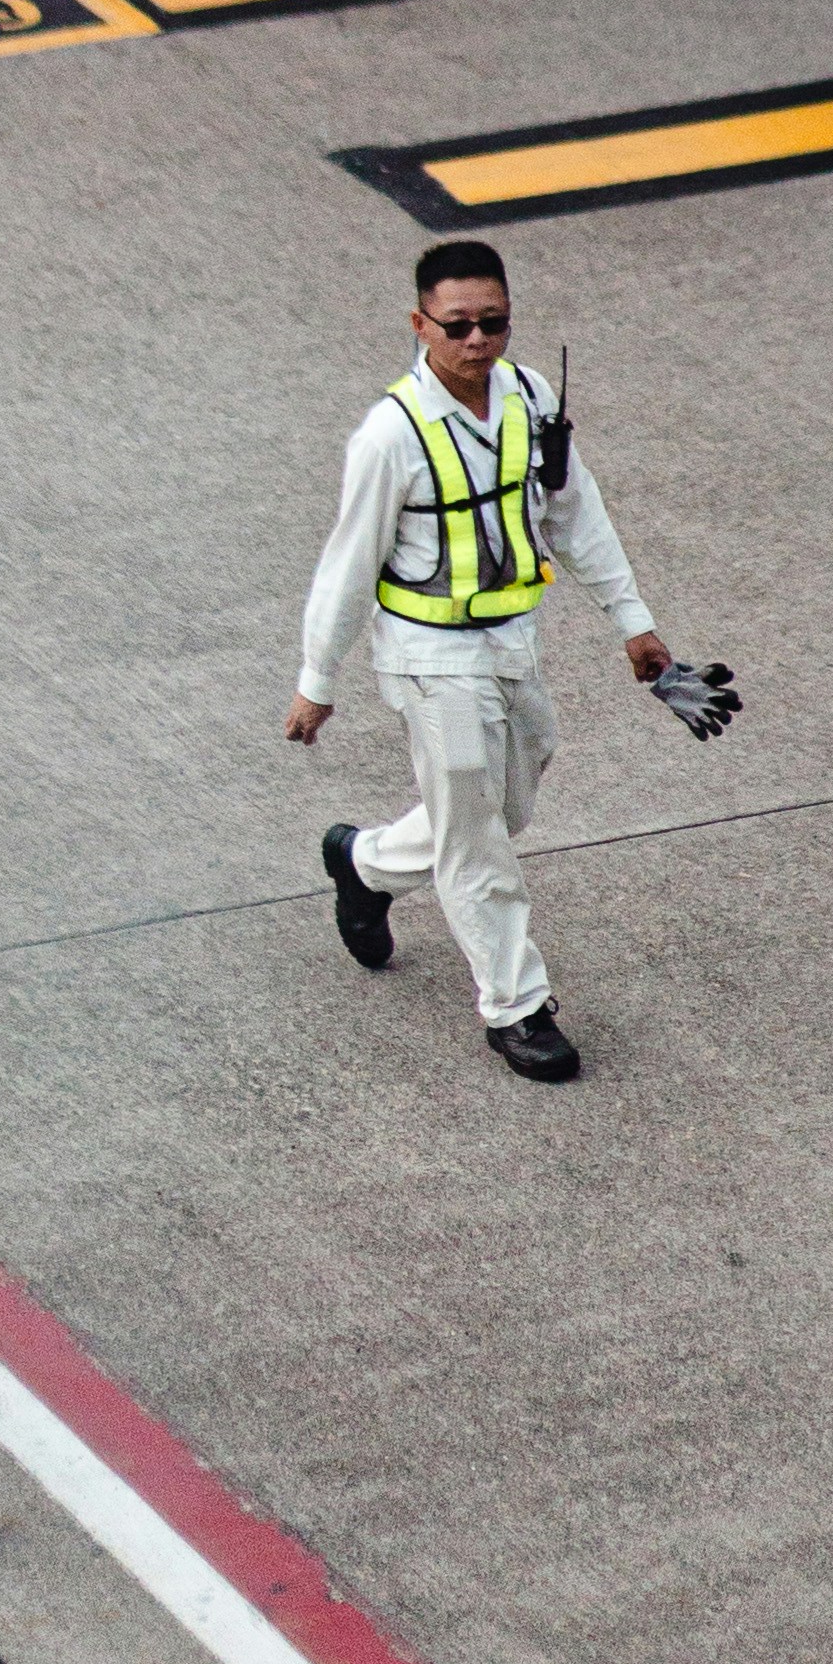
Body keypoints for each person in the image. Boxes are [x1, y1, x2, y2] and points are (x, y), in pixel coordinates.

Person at [286, 236, 678, 1085]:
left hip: (510, 642)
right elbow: (347, 565)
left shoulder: (531, 396)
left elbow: (576, 514)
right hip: (431, 660)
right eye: (456, 325)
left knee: (500, 808)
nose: (476, 342)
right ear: (419, 325)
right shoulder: (390, 437)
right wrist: (318, 682)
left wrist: (633, 622)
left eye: (492, 323)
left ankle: (364, 863)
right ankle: (517, 1008)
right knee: (478, 849)